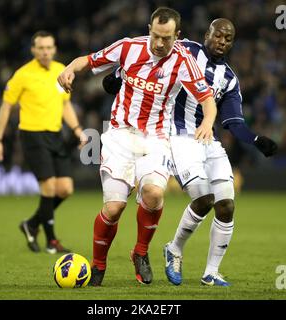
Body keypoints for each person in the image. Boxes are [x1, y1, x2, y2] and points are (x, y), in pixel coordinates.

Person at [102, 18, 278, 287]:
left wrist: (255, 139)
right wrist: (117, 77)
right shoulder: (184, 50)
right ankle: (174, 249)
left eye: (228, 39)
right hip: (176, 136)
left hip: (208, 139)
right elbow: (147, 56)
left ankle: (211, 272)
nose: (221, 42)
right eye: (218, 36)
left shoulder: (229, 79)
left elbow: (233, 122)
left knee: (227, 205)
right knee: (204, 199)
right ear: (207, 34)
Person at [58, 7, 217, 286]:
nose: (159, 43)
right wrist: (70, 68)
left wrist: (207, 123)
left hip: (156, 138)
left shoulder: (183, 61)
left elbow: (207, 100)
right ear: (149, 29)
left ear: (177, 36)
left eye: (166, 39)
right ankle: (98, 265)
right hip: (119, 135)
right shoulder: (128, 47)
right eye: (156, 35)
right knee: (114, 209)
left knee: (154, 194)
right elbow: (89, 60)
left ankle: (140, 253)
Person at [0, 31, 86, 254]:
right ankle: (51, 241)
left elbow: (65, 105)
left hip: (55, 135)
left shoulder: (61, 70)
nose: (45, 52)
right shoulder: (22, 75)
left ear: (55, 49)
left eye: (49, 47)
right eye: (41, 48)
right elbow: (6, 107)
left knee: (65, 189)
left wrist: (78, 129)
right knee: (49, 187)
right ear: (33, 50)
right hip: (32, 135)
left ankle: (31, 224)